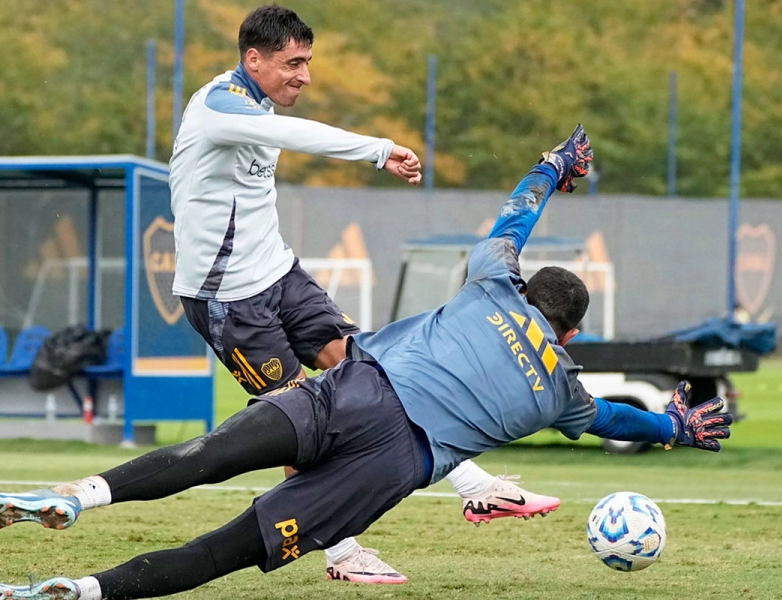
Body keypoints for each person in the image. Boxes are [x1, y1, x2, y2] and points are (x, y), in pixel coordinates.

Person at [0, 125, 734, 600]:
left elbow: (514, 218)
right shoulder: (562, 390)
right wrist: (673, 427)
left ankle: (82, 494)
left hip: (355, 391)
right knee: (223, 551)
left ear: (526, 289)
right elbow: (614, 419)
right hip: (391, 464)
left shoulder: (493, 282)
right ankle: (79, 593)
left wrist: (552, 167)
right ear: (571, 335)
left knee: (206, 457)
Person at [163, 3, 557, 583]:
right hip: (227, 300)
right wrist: (377, 149)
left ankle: (474, 486)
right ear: (254, 59)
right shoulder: (220, 106)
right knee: (299, 425)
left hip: (278, 274)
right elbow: (293, 135)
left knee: (377, 368)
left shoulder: (259, 103)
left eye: (308, 62)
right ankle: (342, 552)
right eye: (293, 63)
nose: (305, 75)